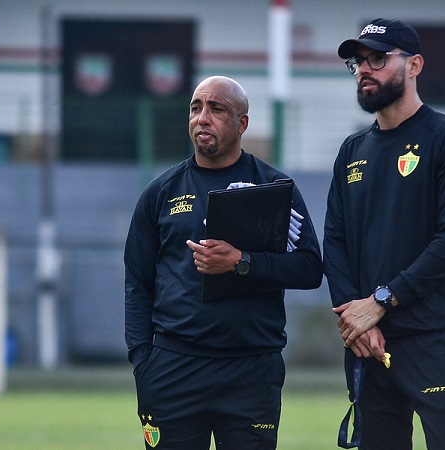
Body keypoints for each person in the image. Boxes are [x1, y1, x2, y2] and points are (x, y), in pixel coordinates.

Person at [124, 75, 323, 450]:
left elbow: (310, 268)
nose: (202, 118)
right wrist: (142, 362)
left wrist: (242, 262)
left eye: (216, 109)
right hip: (174, 368)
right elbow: (137, 284)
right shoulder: (161, 193)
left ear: (242, 123)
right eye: (196, 108)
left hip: (251, 369)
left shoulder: (274, 189)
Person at [323, 19, 445, 450]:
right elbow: (335, 241)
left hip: (432, 338)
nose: (364, 69)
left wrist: (381, 301)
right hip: (367, 343)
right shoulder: (351, 151)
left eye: (378, 58)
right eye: (358, 62)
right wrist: (354, 318)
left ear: (414, 65)